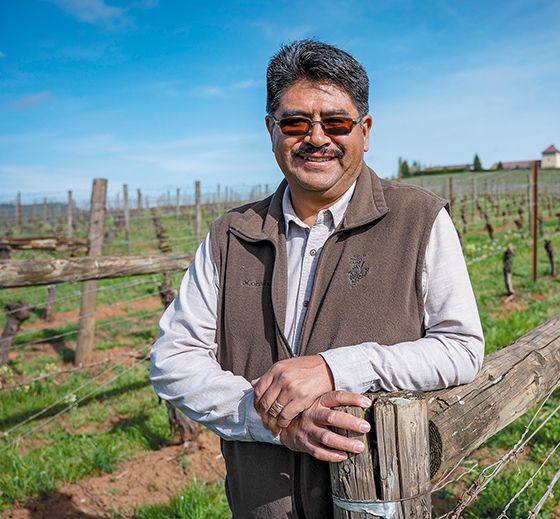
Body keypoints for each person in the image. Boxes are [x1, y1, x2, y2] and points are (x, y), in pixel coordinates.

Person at [150, 39, 484, 518]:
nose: (316, 137)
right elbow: (172, 359)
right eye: (295, 123)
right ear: (271, 131)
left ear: (364, 131)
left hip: (377, 502)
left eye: (336, 122)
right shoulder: (231, 234)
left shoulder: (420, 219)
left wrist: (335, 367)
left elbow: (461, 349)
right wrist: (269, 419)